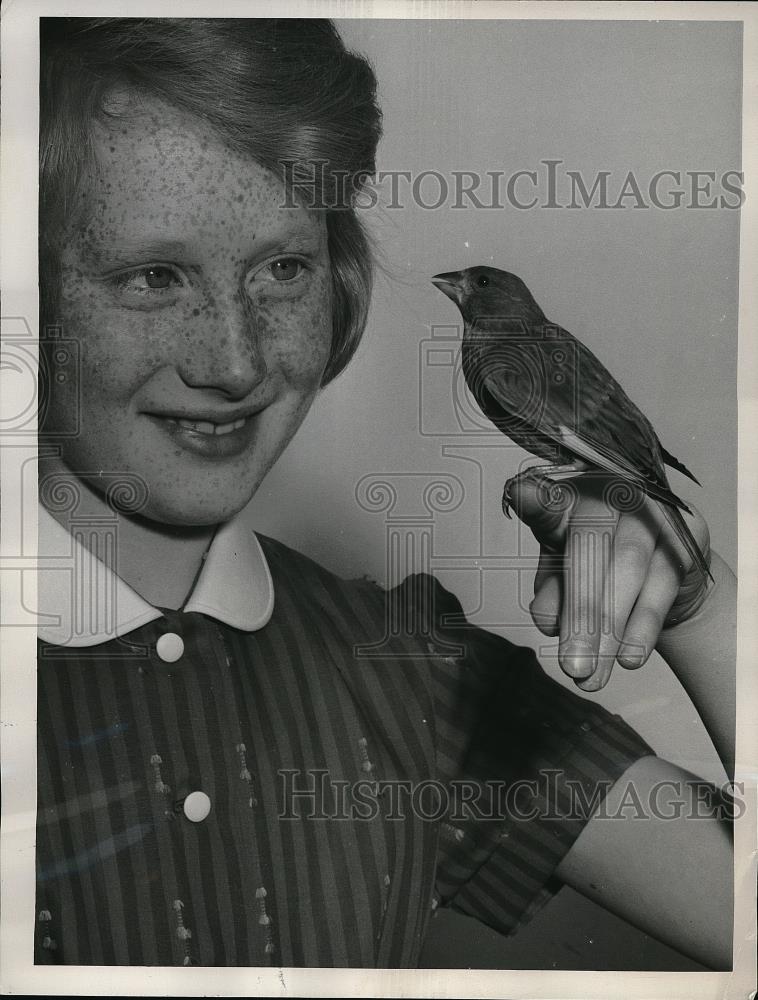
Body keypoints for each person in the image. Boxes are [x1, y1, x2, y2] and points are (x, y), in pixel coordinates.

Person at [35, 17, 736, 969]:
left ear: (342, 284)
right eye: (154, 276)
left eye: (283, 269)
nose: (233, 360)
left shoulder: (417, 677)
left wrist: (700, 601)